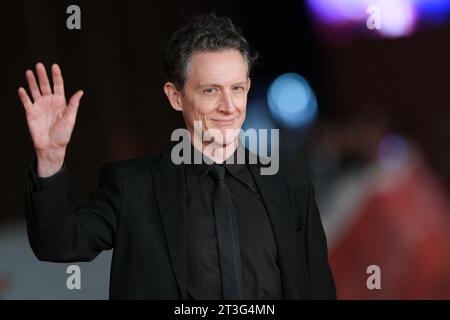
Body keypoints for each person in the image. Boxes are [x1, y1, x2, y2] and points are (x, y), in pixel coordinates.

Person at [18, 13, 336, 300]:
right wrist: (50, 158)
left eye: (236, 89)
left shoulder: (291, 189)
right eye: (211, 90)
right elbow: (57, 244)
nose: (228, 106)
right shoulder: (132, 188)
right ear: (175, 96)